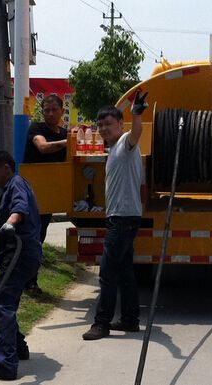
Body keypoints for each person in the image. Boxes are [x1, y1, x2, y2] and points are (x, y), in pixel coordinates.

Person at [82, 91, 149, 341]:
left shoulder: (125, 144)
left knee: (107, 273)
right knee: (124, 272)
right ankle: (130, 320)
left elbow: (136, 134)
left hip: (122, 219)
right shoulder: (113, 151)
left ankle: (101, 323)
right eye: (100, 125)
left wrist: (136, 114)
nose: (103, 128)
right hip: (123, 217)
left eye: (108, 124)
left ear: (120, 124)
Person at [0, 150, 42, 380]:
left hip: (20, 255)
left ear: (6, 167)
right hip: (20, 256)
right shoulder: (13, 185)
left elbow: (20, 208)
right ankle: (17, 346)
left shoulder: (16, 184)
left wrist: (9, 223)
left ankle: (6, 363)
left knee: (1, 302)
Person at [23, 94, 68, 295]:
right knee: (32, 237)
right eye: (46, 110)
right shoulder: (37, 129)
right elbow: (42, 147)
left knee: (39, 236)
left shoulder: (65, 133)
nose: (50, 113)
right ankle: (28, 282)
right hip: (33, 194)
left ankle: (29, 279)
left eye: (54, 110)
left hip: (51, 194)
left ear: (62, 111)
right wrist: (70, 140)